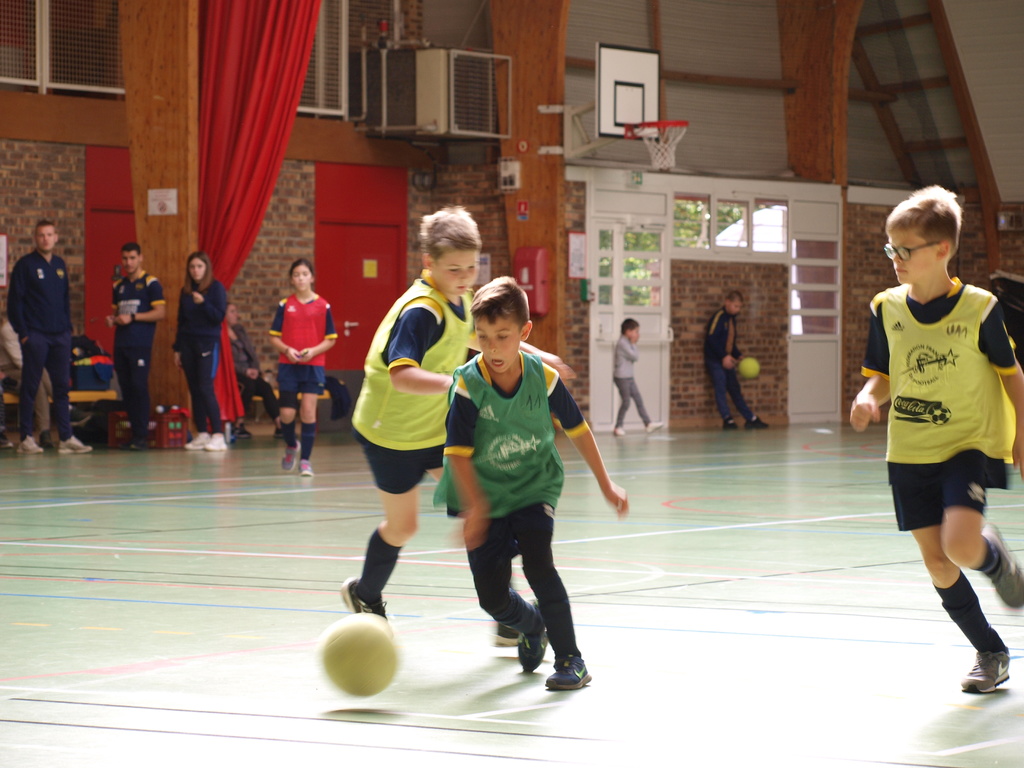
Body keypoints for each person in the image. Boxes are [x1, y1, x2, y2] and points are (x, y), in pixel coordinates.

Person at [341, 206, 572, 629]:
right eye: (454, 269)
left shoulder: (461, 299)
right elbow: (402, 375)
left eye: (471, 267)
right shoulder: (421, 312)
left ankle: (509, 616)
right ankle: (366, 593)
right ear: (428, 263)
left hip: (434, 430)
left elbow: (482, 340)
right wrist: (459, 383)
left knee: (484, 510)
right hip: (390, 434)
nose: (465, 277)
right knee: (403, 527)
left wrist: (539, 356)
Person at [850, 185, 1024, 695]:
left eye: (906, 249)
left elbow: (1012, 374)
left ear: (942, 249)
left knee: (961, 544)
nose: (896, 258)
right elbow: (882, 374)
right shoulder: (886, 308)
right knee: (937, 561)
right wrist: (867, 397)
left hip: (967, 444)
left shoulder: (979, 308)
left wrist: (1021, 435)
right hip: (909, 449)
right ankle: (991, 652)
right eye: (891, 248)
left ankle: (995, 560)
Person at [437, 276, 628, 690]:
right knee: (492, 598)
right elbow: (456, 454)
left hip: (534, 486)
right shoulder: (468, 385)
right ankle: (533, 625)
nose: (492, 348)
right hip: (485, 495)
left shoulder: (543, 378)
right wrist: (475, 508)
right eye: (483, 337)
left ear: (524, 332)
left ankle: (571, 659)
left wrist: (605, 483)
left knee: (539, 565)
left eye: (502, 337)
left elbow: (577, 429)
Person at [6, 219, 92, 454]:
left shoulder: (60, 265)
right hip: (36, 335)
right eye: (41, 235)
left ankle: (66, 437)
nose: (46, 239)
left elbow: (65, 300)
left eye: (49, 234)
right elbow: (14, 304)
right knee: (31, 386)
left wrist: (67, 330)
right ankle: (26, 438)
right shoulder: (25, 265)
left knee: (62, 387)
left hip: (60, 336)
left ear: (56, 238)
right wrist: (24, 334)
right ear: (36, 238)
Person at [268, 258, 337, 476]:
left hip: (313, 366)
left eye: (304, 274)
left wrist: (313, 351)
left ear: (312, 278)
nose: (300, 278)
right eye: (296, 275)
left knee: (308, 412)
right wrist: (287, 349)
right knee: (286, 414)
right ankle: (291, 444)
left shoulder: (323, 306)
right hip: (288, 365)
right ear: (291, 279)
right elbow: (273, 337)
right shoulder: (285, 305)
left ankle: (305, 460)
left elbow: (331, 339)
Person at [105, 242, 166, 450]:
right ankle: (134, 435)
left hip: (140, 344)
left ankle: (142, 435)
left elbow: (160, 313)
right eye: (125, 258)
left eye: (132, 258)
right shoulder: (118, 286)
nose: (128, 262)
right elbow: (117, 313)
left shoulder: (151, 283)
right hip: (121, 344)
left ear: (140, 258)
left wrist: (133, 317)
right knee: (127, 389)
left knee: (139, 386)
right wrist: (112, 320)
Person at [173, 251, 228, 452]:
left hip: (207, 343)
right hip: (188, 343)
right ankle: (203, 433)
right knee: (194, 388)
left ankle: (218, 434)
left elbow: (219, 317)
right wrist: (177, 348)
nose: (195, 271)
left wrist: (204, 303)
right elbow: (181, 321)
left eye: (199, 266)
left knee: (205, 387)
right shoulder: (185, 291)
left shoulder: (216, 288)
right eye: (192, 267)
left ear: (206, 268)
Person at [703, 290, 769, 430]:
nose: (737, 309)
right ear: (727, 302)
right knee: (721, 387)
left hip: (728, 359)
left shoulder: (732, 319)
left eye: (739, 307)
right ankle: (727, 419)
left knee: (734, 388)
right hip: (716, 360)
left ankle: (750, 418)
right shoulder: (719, 317)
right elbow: (712, 339)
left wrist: (738, 355)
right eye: (735, 306)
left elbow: (730, 342)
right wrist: (723, 356)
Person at [226, 302, 281, 439]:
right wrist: (245, 371)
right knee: (248, 386)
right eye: (232, 312)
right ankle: (238, 424)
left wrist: (255, 369)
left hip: (249, 372)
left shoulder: (239, 330)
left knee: (265, 387)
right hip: (234, 373)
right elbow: (226, 361)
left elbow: (251, 352)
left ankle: (279, 425)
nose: (237, 315)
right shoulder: (220, 335)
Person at [0, 318, 53, 449]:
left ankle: (46, 430)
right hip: (8, 369)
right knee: (35, 381)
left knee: (39, 374)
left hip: (22, 367)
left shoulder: (27, 326)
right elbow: (17, 359)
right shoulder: (7, 329)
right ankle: (47, 428)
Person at [612, 318, 662, 436]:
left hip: (629, 377)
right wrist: (634, 343)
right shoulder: (623, 343)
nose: (637, 335)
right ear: (628, 331)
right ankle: (618, 426)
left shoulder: (627, 342)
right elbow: (635, 356)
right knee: (626, 402)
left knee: (638, 399)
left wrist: (633, 343)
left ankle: (648, 423)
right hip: (622, 377)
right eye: (636, 331)